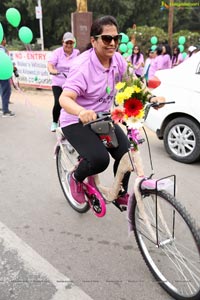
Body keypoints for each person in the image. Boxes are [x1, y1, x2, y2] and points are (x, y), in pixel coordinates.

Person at [59, 15, 165, 205]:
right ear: (94, 40)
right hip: (76, 120)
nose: (113, 43)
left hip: (102, 118)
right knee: (99, 160)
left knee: (128, 154)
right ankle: (75, 177)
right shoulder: (83, 67)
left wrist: (150, 97)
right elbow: (64, 98)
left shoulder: (117, 59)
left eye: (117, 38)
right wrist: (82, 112)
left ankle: (119, 192)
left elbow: (133, 81)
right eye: (107, 39)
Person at [47, 32, 80, 132]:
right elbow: (50, 65)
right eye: (67, 43)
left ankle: (70, 123)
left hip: (71, 83)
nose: (69, 45)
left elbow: (81, 65)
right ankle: (54, 122)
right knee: (58, 102)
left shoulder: (77, 53)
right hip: (58, 82)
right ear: (63, 42)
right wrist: (53, 71)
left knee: (72, 103)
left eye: (71, 43)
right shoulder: (57, 52)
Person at [0, 36, 15, 117]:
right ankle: (5, 111)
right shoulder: (2, 50)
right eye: (5, 39)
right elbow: (5, 61)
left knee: (2, 90)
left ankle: (3, 108)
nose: (5, 41)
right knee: (6, 91)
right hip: (3, 73)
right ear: (2, 40)